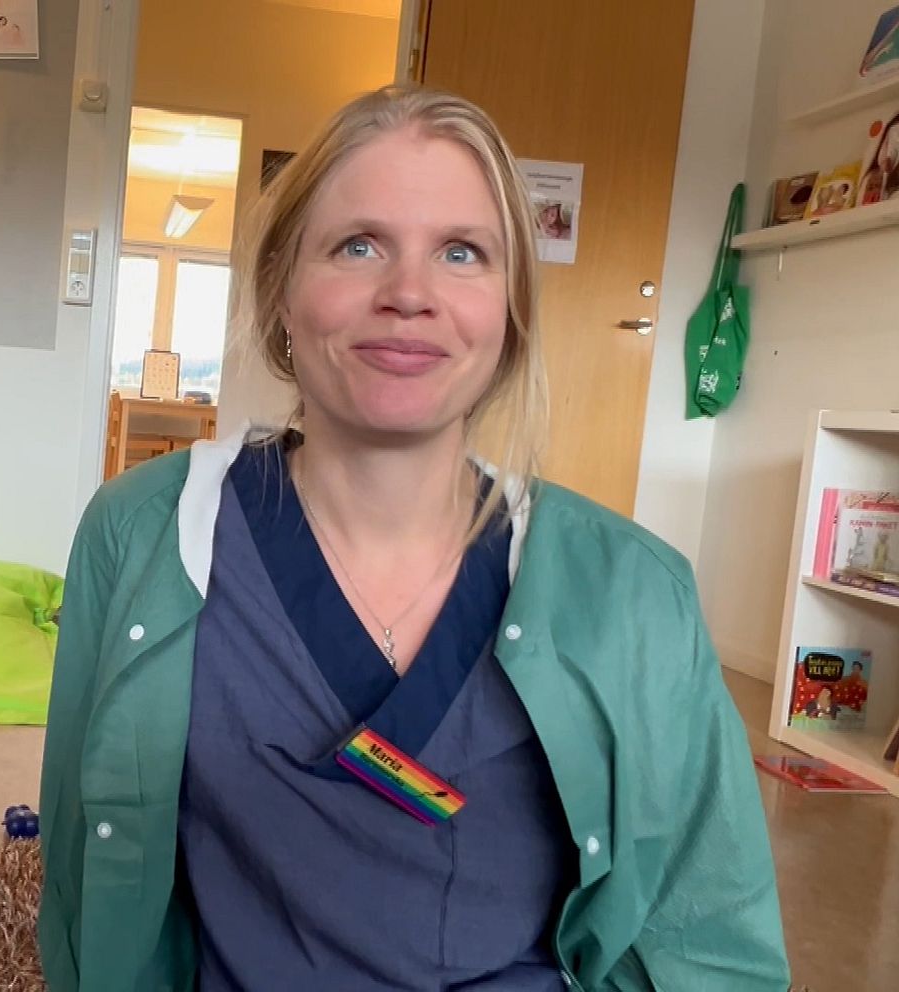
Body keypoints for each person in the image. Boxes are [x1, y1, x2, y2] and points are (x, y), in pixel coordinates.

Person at [38, 84, 790, 992]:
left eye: (461, 252)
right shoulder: (141, 536)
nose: (408, 294)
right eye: (358, 246)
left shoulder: (636, 592)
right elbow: (83, 888)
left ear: (510, 312)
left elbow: (712, 944)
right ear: (281, 290)